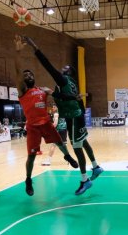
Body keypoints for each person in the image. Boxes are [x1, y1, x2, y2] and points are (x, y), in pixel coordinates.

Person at [23, 36, 104, 195]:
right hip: (76, 115)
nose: (61, 69)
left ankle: (84, 180)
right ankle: (95, 166)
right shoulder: (73, 83)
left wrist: (34, 47)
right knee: (83, 142)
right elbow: (74, 99)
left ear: (67, 72)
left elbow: (48, 65)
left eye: (64, 68)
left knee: (77, 148)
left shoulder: (63, 80)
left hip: (73, 117)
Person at [14, 35, 79, 196]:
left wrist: (73, 97)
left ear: (34, 77)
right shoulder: (22, 90)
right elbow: (17, 69)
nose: (28, 75)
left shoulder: (42, 89)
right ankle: (28, 179)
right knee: (31, 156)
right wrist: (17, 52)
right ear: (22, 79)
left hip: (45, 123)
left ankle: (68, 157)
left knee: (60, 143)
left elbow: (58, 96)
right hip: (32, 126)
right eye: (25, 75)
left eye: (30, 74)